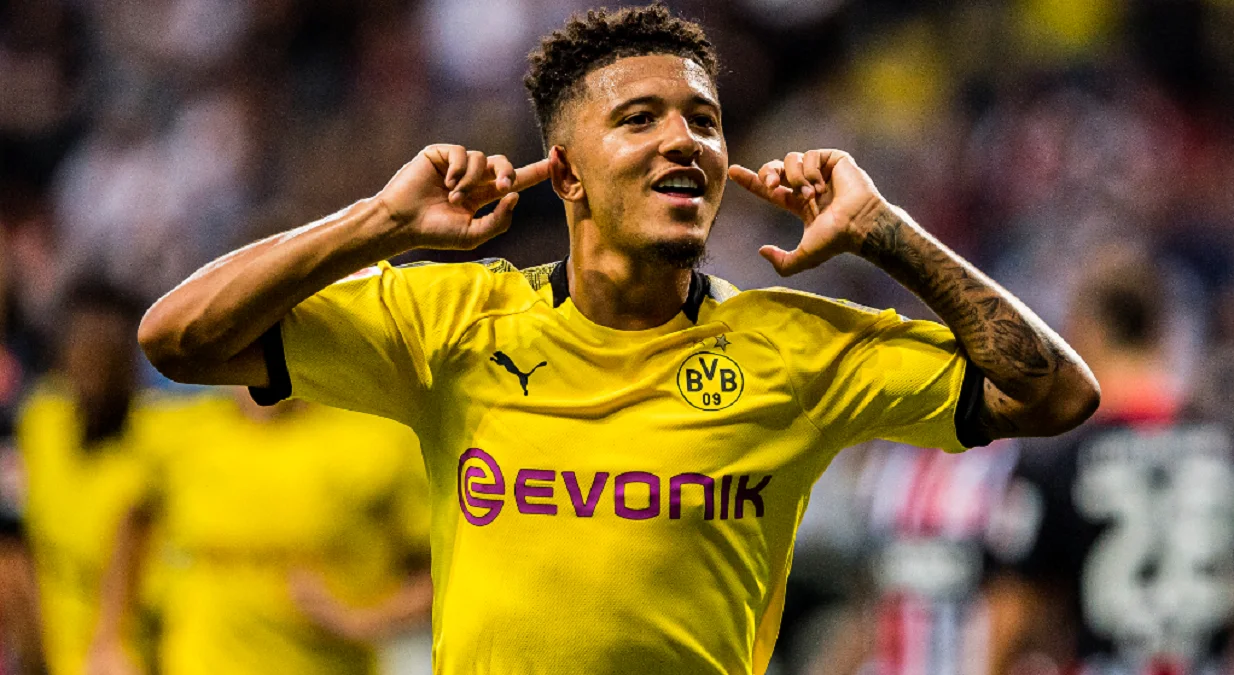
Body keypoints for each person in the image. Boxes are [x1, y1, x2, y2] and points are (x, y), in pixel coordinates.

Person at [137, 5, 1099, 673]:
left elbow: (1056, 394)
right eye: (639, 119)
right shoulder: (450, 322)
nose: (685, 141)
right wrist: (379, 223)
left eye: (704, 121)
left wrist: (888, 231)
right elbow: (179, 337)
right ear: (566, 174)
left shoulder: (796, 348)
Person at [983, 251, 1234, 675]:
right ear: (1161, 331)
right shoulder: (1221, 452)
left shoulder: (1061, 461)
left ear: (1089, 331)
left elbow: (1013, 613)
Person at [87, 388, 433, 675]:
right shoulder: (181, 431)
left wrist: (363, 619)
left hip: (327, 666)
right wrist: (108, 640)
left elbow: (441, 573)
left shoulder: (377, 440)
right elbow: (134, 520)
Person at [17, 280, 160, 675]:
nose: (94, 368)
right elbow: (20, 550)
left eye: (107, 354)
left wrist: (108, 645)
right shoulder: (42, 420)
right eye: (83, 349)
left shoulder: (152, 443)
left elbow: (133, 549)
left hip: (119, 659)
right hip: (45, 653)